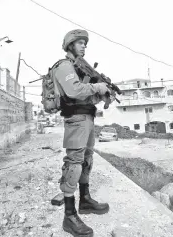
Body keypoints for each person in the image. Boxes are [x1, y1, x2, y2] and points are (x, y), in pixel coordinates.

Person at [53, 29, 112, 237]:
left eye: (85, 43)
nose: (84, 45)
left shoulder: (80, 69)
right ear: (70, 45)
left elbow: (86, 96)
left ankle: (85, 201)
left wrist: (103, 94)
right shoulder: (64, 66)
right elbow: (74, 91)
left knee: (87, 160)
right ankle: (69, 216)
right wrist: (97, 87)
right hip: (75, 120)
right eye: (79, 42)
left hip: (87, 118)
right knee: (74, 163)